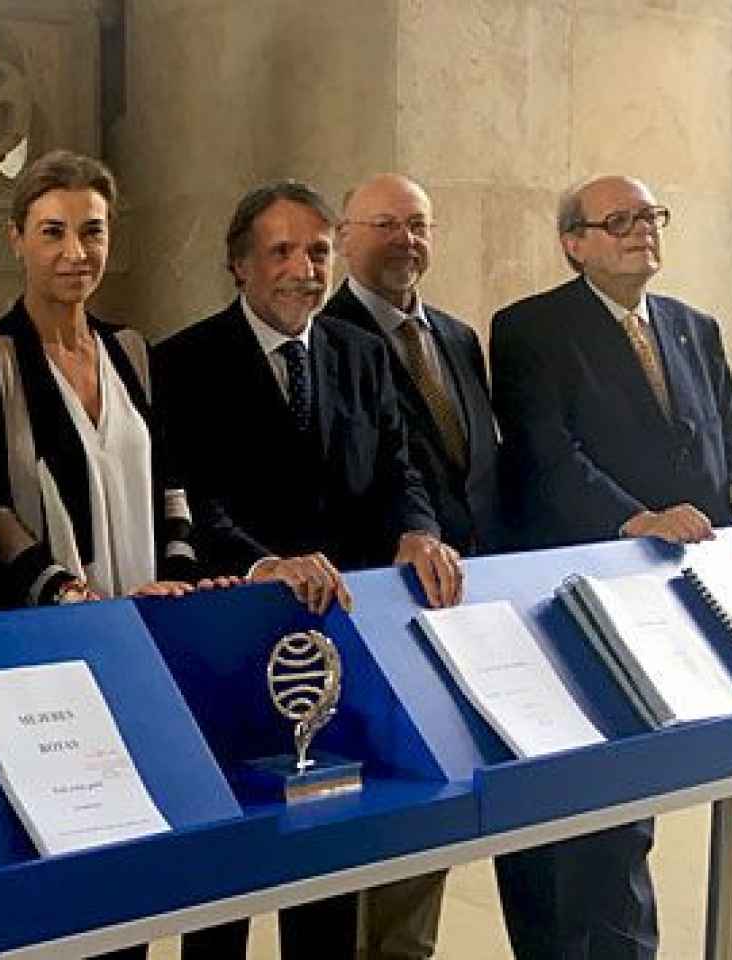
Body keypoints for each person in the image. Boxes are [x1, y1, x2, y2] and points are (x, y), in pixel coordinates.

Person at [153, 180, 463, 960]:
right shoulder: (183, 361)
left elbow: (399, 470)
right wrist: (266, 563)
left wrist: (419, 531)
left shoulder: (360, 352)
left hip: (343, 642)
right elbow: (189, 496)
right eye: (281, 251)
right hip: (233, 641)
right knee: (224, 889)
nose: (304, 268)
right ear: (239, 266)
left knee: (329, 873)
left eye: (318, 251)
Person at [489, 174, 732, 960]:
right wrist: (636, 520)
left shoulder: (694, 327)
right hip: (580, 598)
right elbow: (547, 454)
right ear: (575, 243)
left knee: (642, 815)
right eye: (621, 220)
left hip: (683, 602)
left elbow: (723, 451)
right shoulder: (531, 328)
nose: (643, 231)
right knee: (588, 830)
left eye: (652, 216)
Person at [324, 173, 504, 959]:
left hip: (461, 605)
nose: (406, 240)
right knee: (376, 834)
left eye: (419, 225)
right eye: (386, 224)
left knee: (432, 819)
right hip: (375, 611)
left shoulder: (458, 337)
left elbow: (477, 469)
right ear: (345, 235)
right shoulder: (323, 339)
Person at [0, 150, 206, 614]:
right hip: (52, 622)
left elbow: (174, 488)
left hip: (153, 615)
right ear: (16, 239)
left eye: (92, 232)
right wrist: (64, 592)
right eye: (52, 233)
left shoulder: (131, 350)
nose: (76, 253)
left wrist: (177, 582)